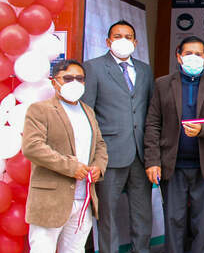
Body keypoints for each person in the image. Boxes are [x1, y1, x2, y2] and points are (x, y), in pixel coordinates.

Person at [144, 36, 204, 253]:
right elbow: (153, 123)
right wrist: (152, 161)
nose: (193, 58)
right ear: (179, 57)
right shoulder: (163, 84)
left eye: (199, 54)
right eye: (188, 53)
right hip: (173, 165)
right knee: (174, 220)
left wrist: (203, 129)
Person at [82, 20, 154, 253]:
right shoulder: (93, 68)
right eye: (117, 36)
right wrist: (93, 155)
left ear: (135, 42)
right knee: (108, 214)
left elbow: (150, 112)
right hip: (109, 154)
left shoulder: (144, 69)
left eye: (128, 36)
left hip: (141, 153)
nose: (123, 40)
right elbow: (88, 113)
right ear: (108, 41)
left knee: (142, 214)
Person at [22, 60, 108, 253]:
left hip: (83, 198)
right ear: (54, 82)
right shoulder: (40, 110)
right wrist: (71, 167)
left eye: (80, 79)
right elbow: (32, 147)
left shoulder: (88, 111)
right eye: (68, 78)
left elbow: (100, 146)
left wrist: (98, 167)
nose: (74, 82)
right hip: (50, 200)